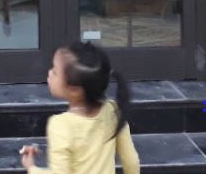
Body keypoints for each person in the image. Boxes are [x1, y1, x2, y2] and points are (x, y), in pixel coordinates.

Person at [20, 41, 139, 174]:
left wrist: (31, 168)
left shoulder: (61, 125)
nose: (49, 72)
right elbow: (131, 161)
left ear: (75, 90)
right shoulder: (113, 110)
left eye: (55, 71)